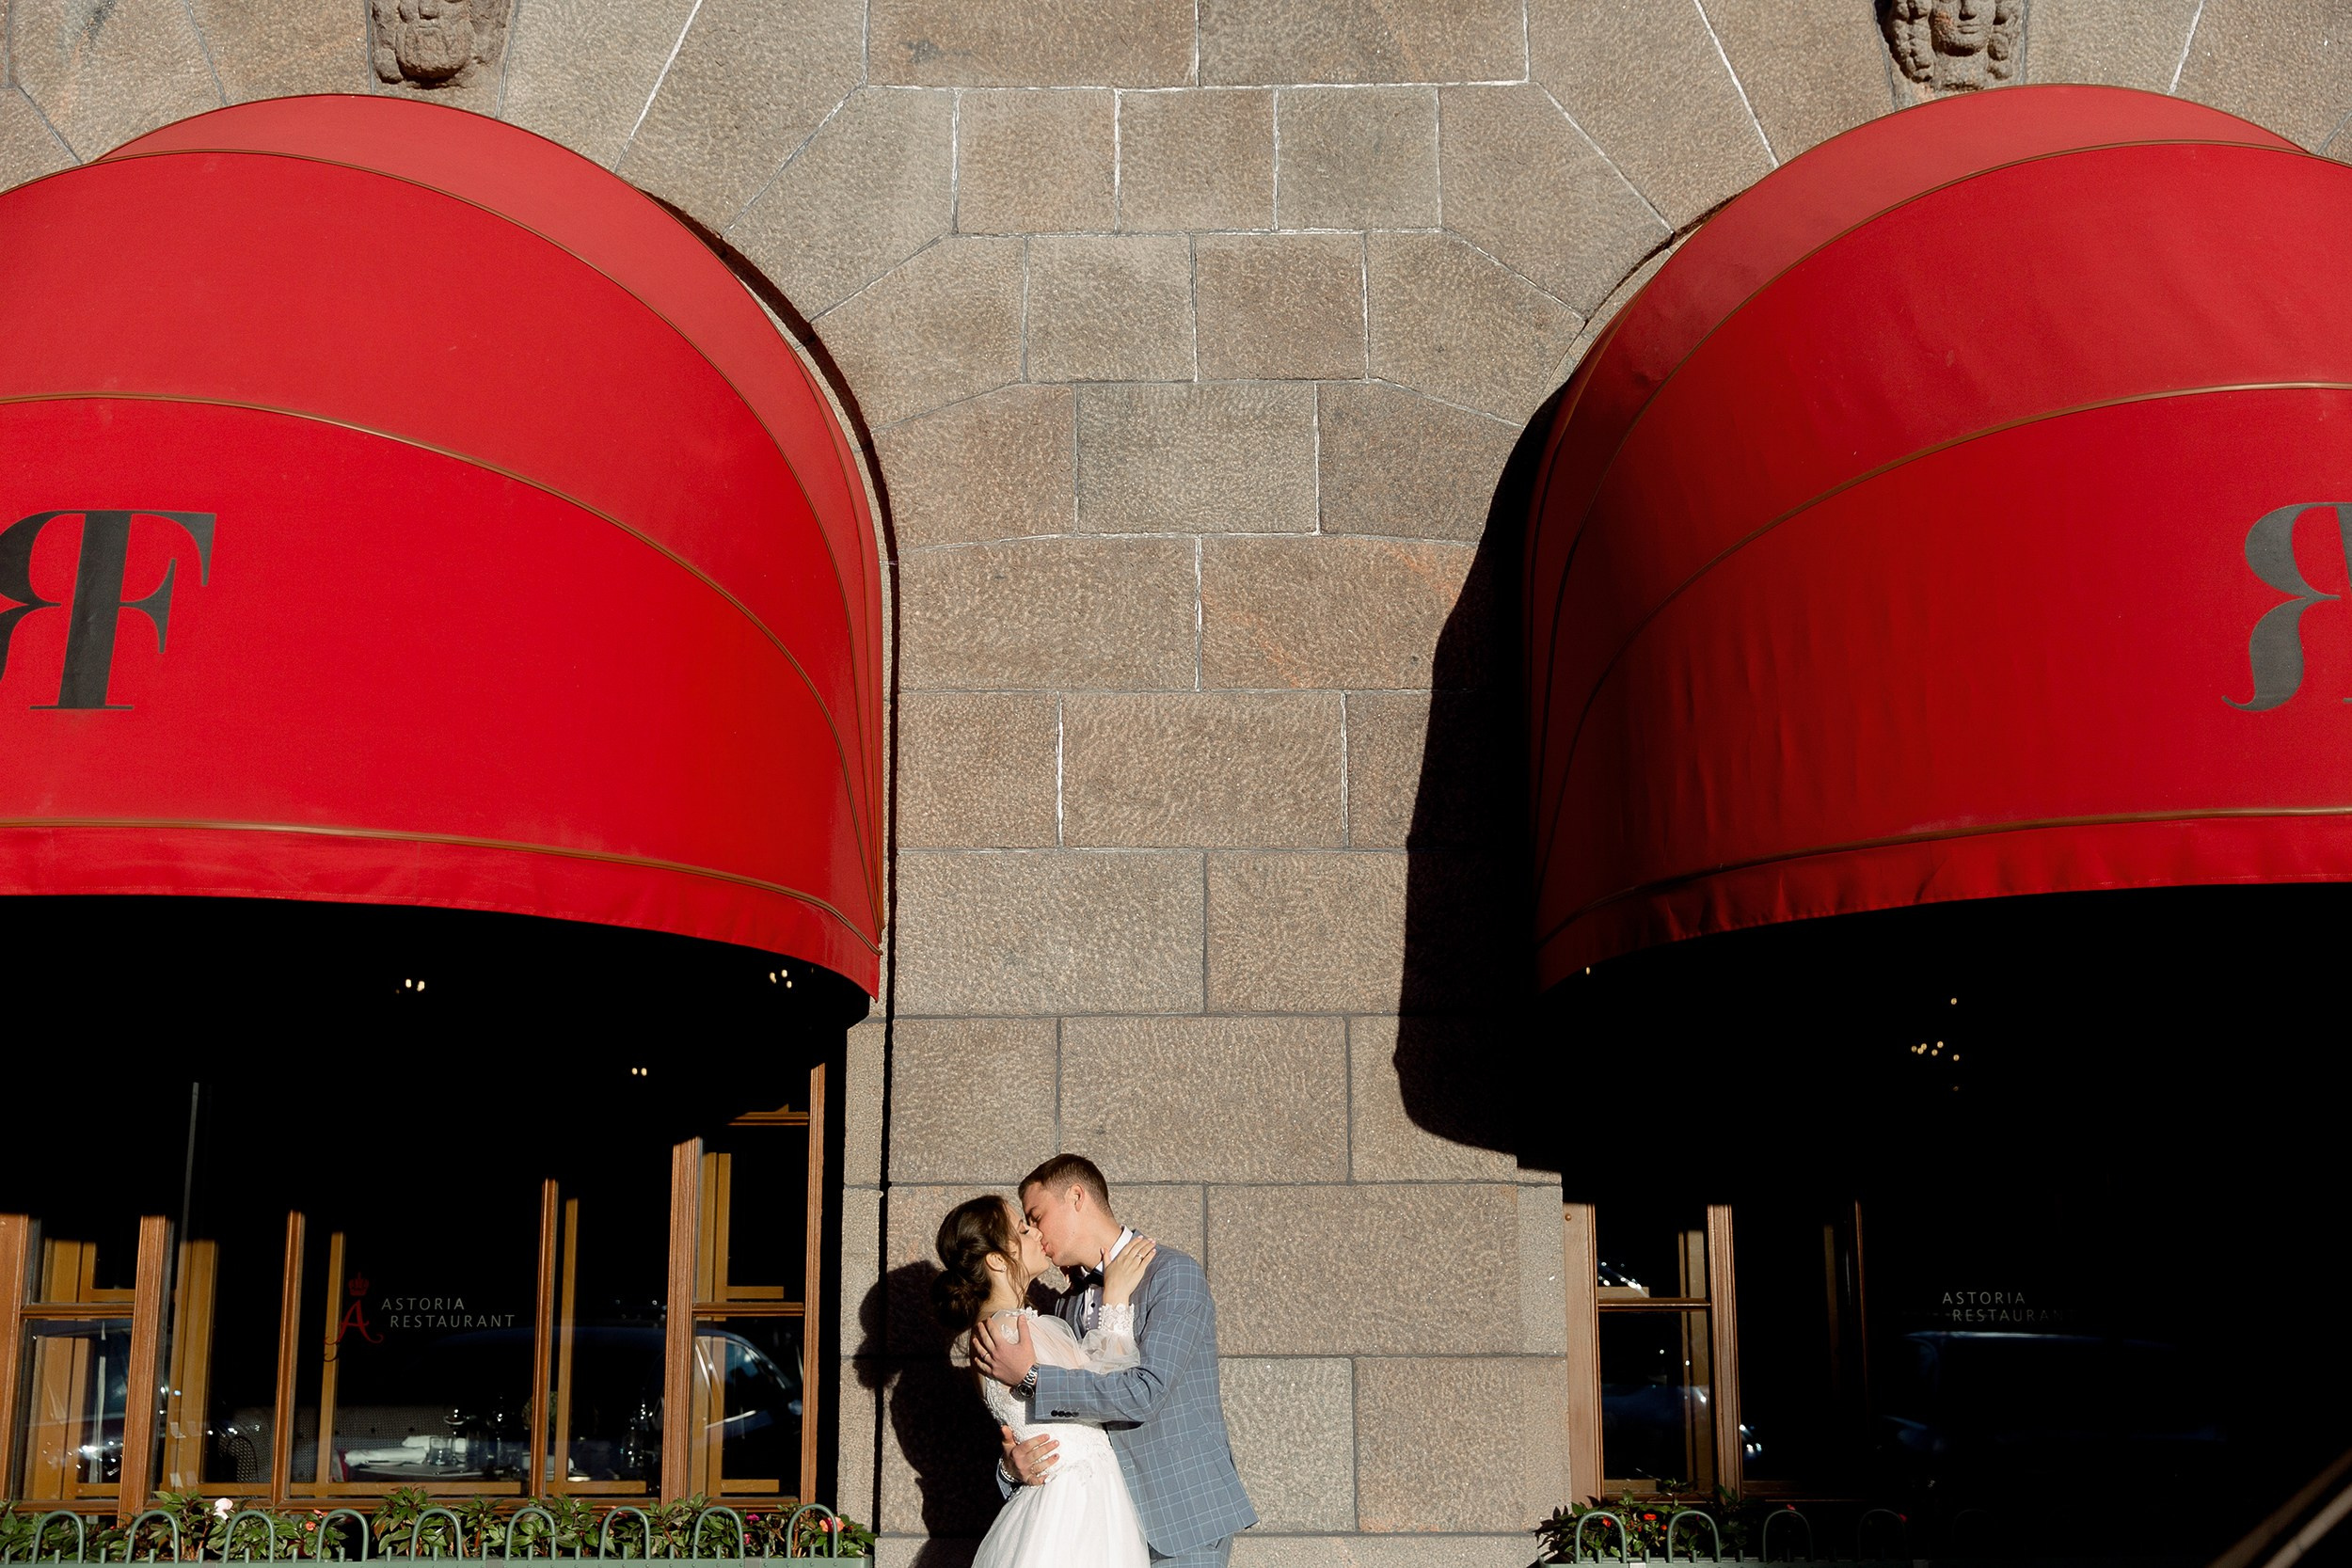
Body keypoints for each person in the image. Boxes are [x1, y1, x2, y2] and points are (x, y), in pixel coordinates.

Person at [973, 1154, 1256, 1567]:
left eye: (1036, 1216)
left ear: (1076, 1197)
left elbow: (1145, 1392)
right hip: (1101, 1526)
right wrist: (1012, 1469)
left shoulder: (1172, 1275)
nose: (1034, 1232)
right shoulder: (1065, 1305)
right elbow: (1074, 1424)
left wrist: (1032, 1376)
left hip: (1179, 1517)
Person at [932, 1191, 1158, 1568]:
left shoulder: (1021, 1325)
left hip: (1085, 1498)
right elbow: (1105, 1389)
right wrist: (1115, 1296)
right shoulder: (1007, 1332)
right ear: (996, 1260)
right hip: (1072, 1509)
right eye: (1022, 1230)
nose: (1036, 1234)